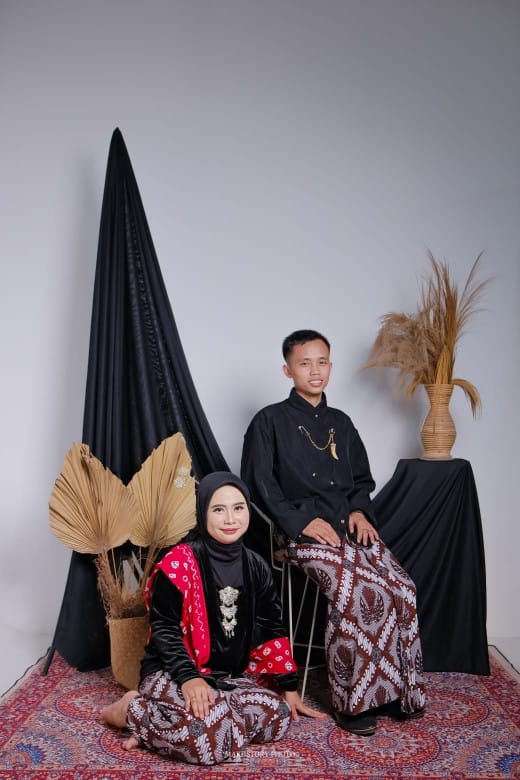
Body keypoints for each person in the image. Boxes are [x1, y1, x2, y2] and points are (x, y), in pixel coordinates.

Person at [241, 329, 426, 736]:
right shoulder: (269, 421)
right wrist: (299, 523)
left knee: (402, 588)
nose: (315, 370)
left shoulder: (341, 422)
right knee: (357, 593)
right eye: (305, 363)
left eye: (322, 361)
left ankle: (399, 692)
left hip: (349, 528)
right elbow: (258, 484)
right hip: (301, 535)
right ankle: (354, 702)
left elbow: (361, 479)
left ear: (330, 365)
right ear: (287, 370)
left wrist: (360, 509)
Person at [100, 471, 324, 765]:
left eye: (238, 508)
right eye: (218, 509)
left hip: (226, 678)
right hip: (171, 672)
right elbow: (164, 629)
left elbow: (272, 626)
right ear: (203, 512)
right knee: (210, 742)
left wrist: (289, 686)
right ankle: (129, 709)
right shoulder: (177, 564)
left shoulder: (256, 566)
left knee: (277, 715)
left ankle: (160, 727)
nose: (230, 519)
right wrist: (189, 678)